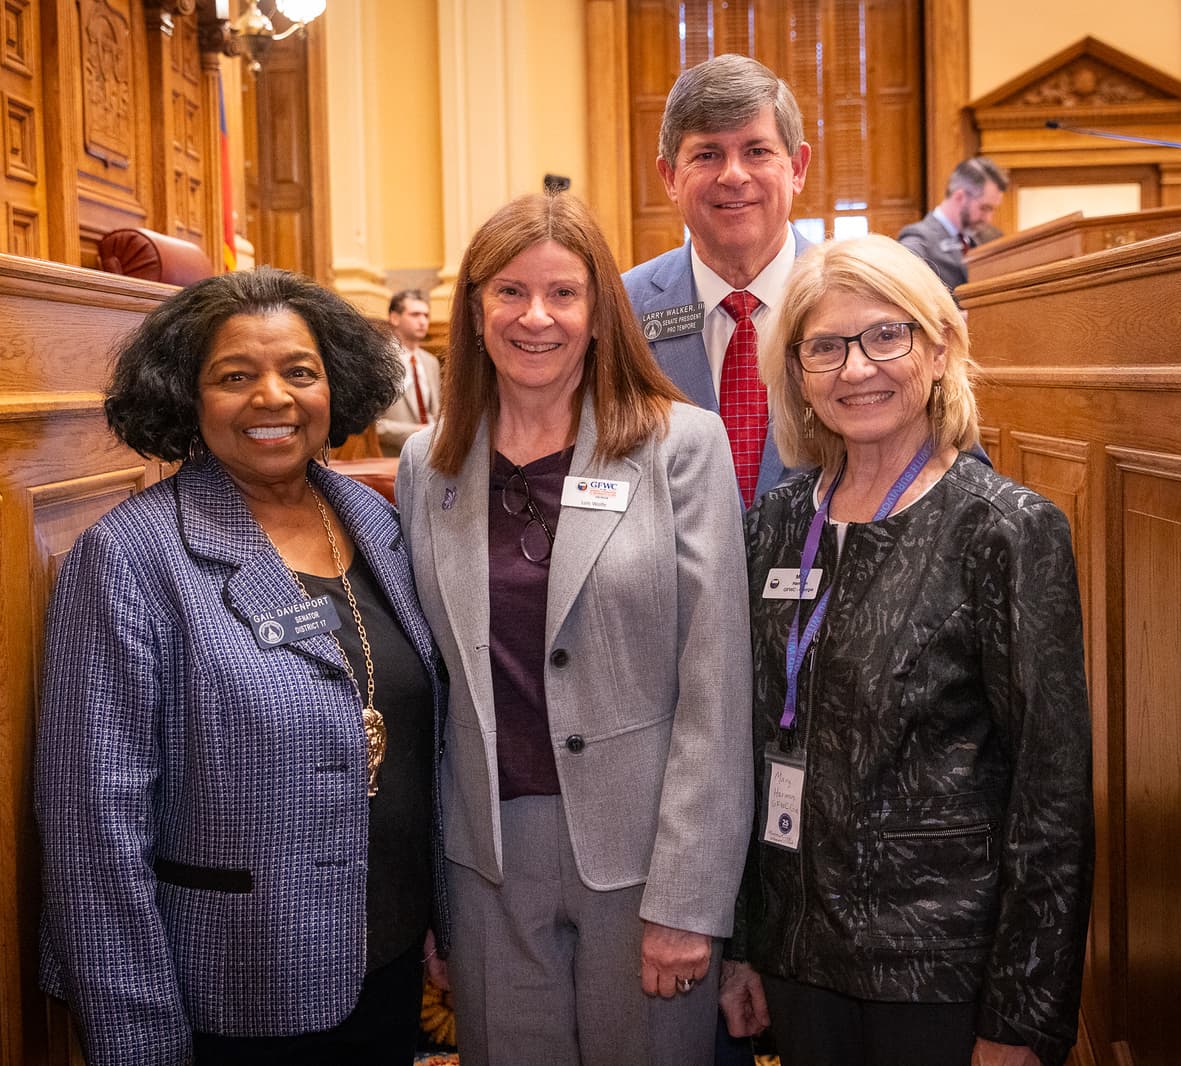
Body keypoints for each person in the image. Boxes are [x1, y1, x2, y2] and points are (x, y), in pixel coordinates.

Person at [35, 268, 448, 1066]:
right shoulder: (128, 558)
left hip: (388, 961)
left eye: (299, 371)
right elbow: (92, 832)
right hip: (241, 989)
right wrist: (137, 1038)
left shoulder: (373, 518)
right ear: (186, 398)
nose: (273, 397)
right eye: (234, 376)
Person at [396, 191, 752, 1066]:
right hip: (486, 862)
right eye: (509, 292)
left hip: (642, 859)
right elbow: (428, 692)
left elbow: (716, 688)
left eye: (562, 293)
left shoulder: (682, 447)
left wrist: (689, 899)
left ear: (600, 315)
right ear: (475, 311)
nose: (535, 317)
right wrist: (434, 901)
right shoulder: (425, 464)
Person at [721, 233, 1092, 1066]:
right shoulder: (774, 525)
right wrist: (743, 944)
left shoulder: (1002, 529)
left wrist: (1022, 1015)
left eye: (885, 335)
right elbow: (746, 746)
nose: (856, 368)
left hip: (941, 974)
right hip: (797, 957)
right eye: (824, 346)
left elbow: (1051, 791)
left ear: (938, 347)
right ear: (798, 376)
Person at [623, 53, 814, 508]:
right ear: (669, 177)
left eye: (757, 151)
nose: (733, 175)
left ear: (798, 168)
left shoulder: (868, 299)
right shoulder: (621, 310)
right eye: (707, 155)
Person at [897, 156, 1009, 292]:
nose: (988, 219)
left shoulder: (991, 236)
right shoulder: (918, 239)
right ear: (960, 197)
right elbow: (907, 296)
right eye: (984, 208)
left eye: (992, 209)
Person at [377, 289, 443, 453]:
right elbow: (373, 426)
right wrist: (418, 432)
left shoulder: (431, 362)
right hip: (394, 457)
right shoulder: (378, 361)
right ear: (395, 318)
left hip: (432, 455)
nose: (422, 321)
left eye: (426, 316)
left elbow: (436, 411)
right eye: (415, 315)